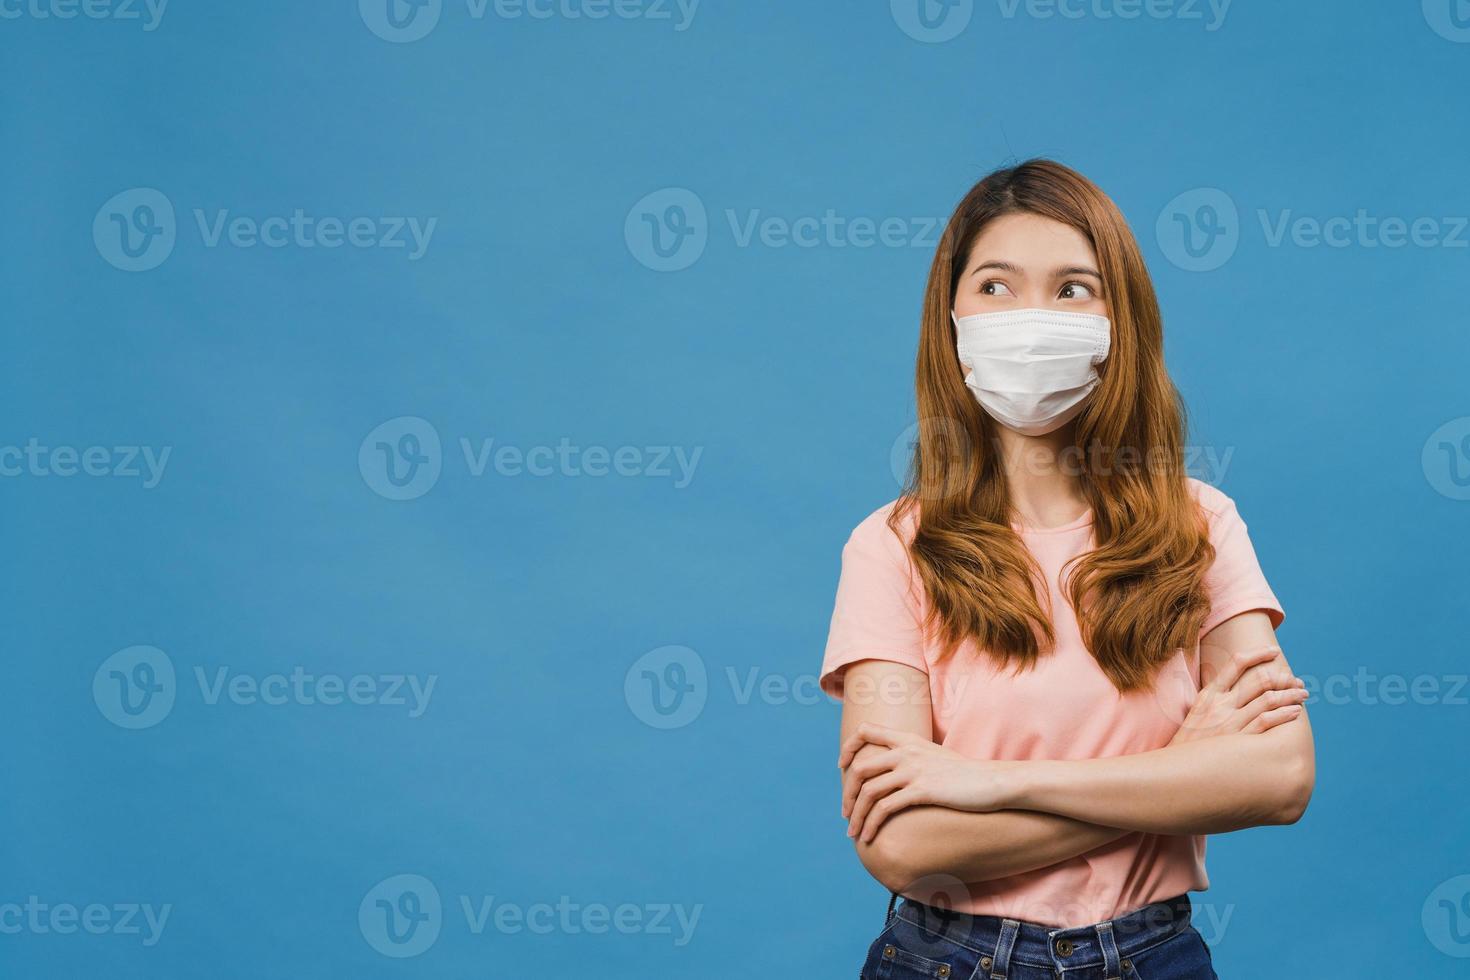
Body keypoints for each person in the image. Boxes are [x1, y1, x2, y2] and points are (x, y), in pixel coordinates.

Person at [821, 159, 1314, 979]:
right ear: (950, 317)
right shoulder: (891, 547)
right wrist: (1180, 771)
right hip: (947, 960)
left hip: (1153, 955)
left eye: (1072, 288)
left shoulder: (1201, 525)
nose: (1030, 318)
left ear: (1120, 319)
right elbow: (903, 847)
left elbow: (1281, 777)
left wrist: (984, 785)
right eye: (995, 287)